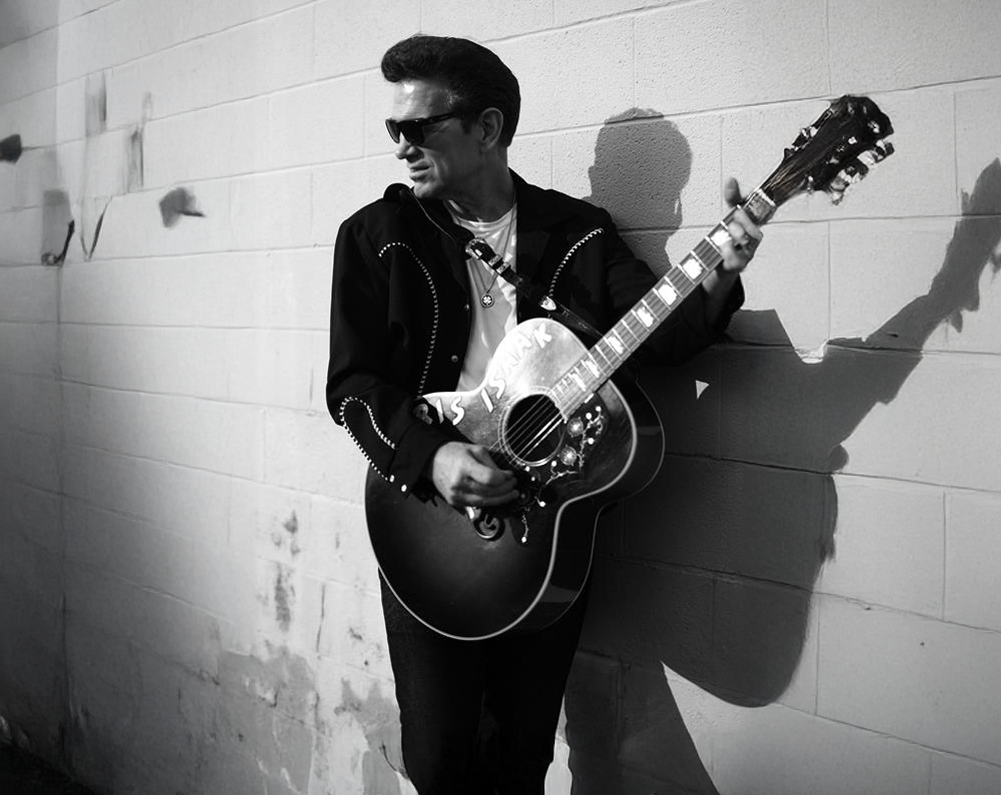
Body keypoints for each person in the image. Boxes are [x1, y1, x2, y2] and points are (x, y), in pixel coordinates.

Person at [326, 34, 761, 795]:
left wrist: (720, 277)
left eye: (417, 127)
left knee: (523, 753)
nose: (399, 147)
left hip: (551, 521)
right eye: (393, 128)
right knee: (437, 756)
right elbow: (352, 386)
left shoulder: (578, 233)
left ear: (487, 128)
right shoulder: (376, 237)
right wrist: (433, 457)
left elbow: (663, 337)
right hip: (428, 517)